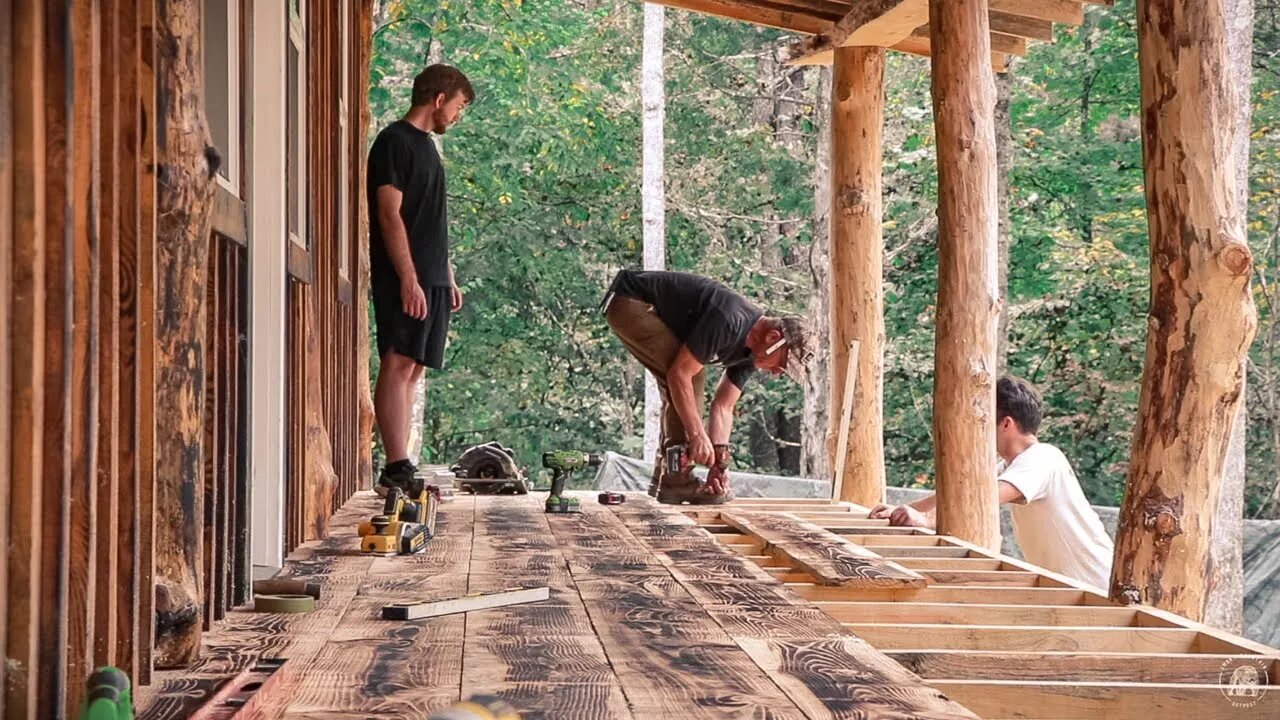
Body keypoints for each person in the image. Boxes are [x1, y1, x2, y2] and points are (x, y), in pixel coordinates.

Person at [869, 376, 1114, 590]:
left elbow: (981, 502)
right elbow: (961, 494)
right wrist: (905, 510)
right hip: (1068, 584)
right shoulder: (1009, 466)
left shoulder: (1043, 458)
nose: (979, 430)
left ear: (1006, 423)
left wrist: (925, 521)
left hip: (1094, 585)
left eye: (984, 422)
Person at [602, 269, 812, 505]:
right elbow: (679, 374)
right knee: (688, 377)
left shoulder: (751, 356)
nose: (777, 372)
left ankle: (667, 475)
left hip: (637, 304)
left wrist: (719, 464)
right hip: (631, 302)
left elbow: (723, 406)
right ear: (772, 338)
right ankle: (676, 480)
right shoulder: (730, 320)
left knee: (684, 380)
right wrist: (696, 435)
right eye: (782, 364)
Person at [367, 64, 474, 495]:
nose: (458, 115)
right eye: (459, 106)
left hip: (431, 276)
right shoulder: (394, 142)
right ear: (439, 99)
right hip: (404, 275)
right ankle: (394, 468)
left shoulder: (428, 148)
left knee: (413, 369)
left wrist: (445, 275)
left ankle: (403, 465)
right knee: (397, 362)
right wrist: (409, 278)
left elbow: (429, 219)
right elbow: (389, 215)